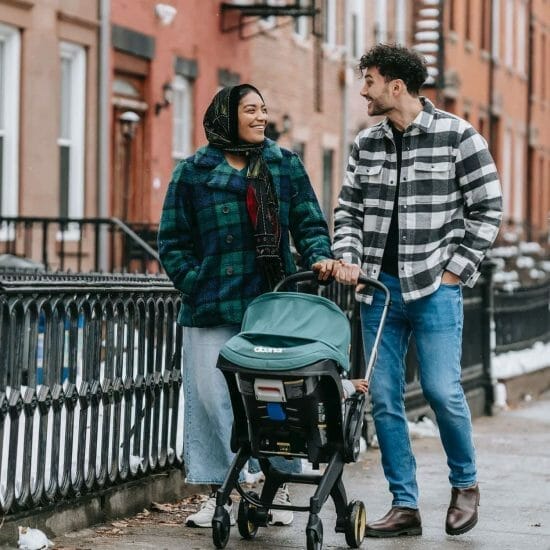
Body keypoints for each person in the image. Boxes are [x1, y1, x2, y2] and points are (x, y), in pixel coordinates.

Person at [316, 44, 503, 538]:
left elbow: (488, 207)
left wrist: (456, 271)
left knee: (442, 391)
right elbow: (348, 210)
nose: (363, 90)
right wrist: (350, 258)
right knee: (383, 398)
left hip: (434, 287)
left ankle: (465, 485)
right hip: (379, 290)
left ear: (396, 86)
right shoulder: (366, 144)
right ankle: (405, 505)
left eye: (370, 80)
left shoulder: (459, 137)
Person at [157, 83, 334, 528]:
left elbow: (309, 223)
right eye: (250, 110)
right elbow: (173, 241)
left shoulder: (283, 164)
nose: (260, 117)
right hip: (210, 304)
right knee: (213, 399)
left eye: (263, 110)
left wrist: (320, 258)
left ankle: (277, 484)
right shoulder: (193, 172)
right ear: (226, 116)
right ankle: (221, 491)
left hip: (272, 303)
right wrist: (195, 282)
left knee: (277, 398)